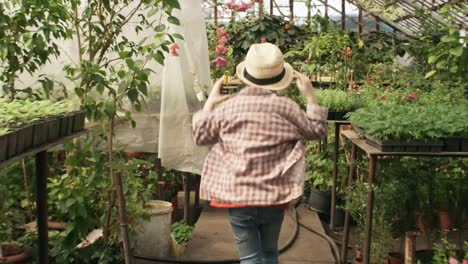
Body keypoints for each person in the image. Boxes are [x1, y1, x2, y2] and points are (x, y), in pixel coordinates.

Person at [192, 43, 328, 264]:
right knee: (269, 253)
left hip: (238, 198)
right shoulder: (287, 108)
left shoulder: (229, 107)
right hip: (273, 198)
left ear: (247, 75)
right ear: (281, 77)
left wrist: (210, 102)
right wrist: (310, 96)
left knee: (251, 259)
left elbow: (201, 135)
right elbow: (316, 131)